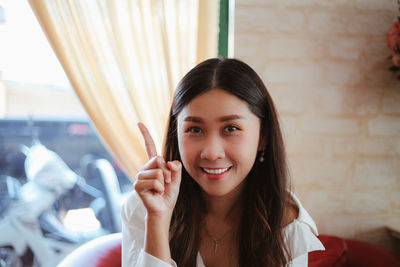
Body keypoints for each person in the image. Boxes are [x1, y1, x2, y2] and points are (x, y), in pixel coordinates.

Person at [121, 58, 324, 267]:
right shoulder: (142, 209)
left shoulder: (288, 225)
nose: (211, 152)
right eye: (194, 129)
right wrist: (157, 219)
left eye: (231, 128)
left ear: (263, 136)